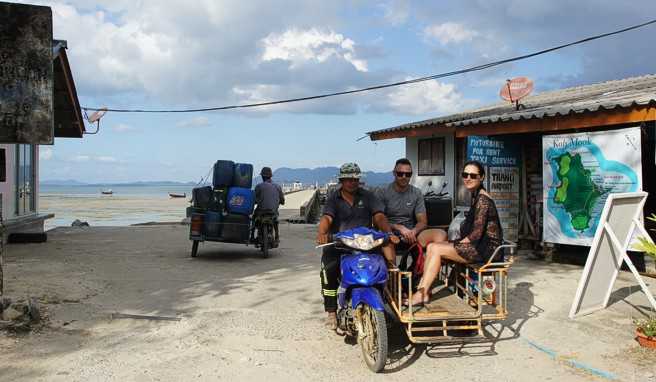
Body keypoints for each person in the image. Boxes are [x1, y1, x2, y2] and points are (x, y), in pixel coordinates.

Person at [407, 160, 502, 306]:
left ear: (481, 177)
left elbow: (475, 234)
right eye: (465, 174)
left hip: (486, 249)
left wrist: (455, 244)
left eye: (473, 175)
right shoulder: (476, 195)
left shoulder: (483, 200)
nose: (468, 178)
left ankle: (422, 293)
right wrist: (452, 242)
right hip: (478, 245)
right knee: (433, 246)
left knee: (436, 248)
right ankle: (423, 289)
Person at [316, 162, 398, 330]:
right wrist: (322, 233)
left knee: (385, 267)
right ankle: (331, 311)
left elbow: (379, 216)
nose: (352, 182)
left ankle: (391, 300)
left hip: (365, 244)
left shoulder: (368, 196)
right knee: (329, 270)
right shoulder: (334, 199)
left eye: (355, 179)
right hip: (340, 244)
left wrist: (388, 232)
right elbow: (327, 218)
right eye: (348, 179)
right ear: (342, 180)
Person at [377, 158, 447, 265]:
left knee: (440, 234)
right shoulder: (383, 191)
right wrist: (398, 227)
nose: (404, 177)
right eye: (400, 174)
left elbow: (422, 221)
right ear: (394, 173)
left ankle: (427, 271)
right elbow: (378, 219)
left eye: (408, 174)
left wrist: (413, 231)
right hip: (390, 232)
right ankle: (394, 276)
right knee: (387, 242)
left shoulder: (416, 193)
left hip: (411, 233)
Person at [253, 167, 285, 245]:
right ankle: (277, 237)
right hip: (273, 211)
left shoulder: (258, 186)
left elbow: (254, 199)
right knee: (275, 220)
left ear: (262, 177)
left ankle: (251, 235)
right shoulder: (278, 187)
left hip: (261, 211)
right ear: (270, 176)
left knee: (254, 217)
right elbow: (282, 201)